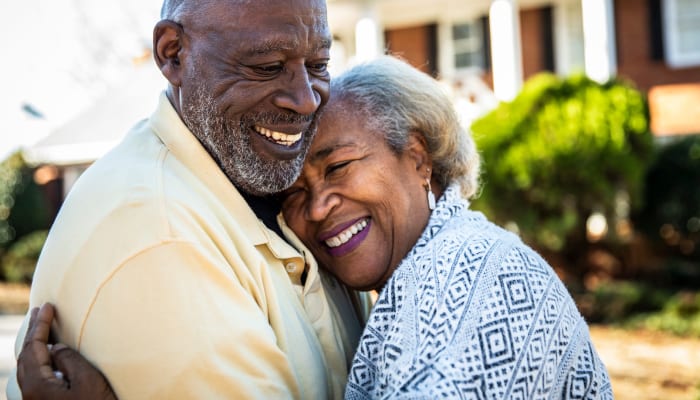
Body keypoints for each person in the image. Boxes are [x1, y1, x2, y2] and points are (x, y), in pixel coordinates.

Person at [17, 55, 613, 399]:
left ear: (419, 156)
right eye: (296, 193)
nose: (320, 206)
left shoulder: (465, 279)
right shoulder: (423, 279)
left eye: (341, 166)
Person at [9, 0, 370, 399]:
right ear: (173, 53)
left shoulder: (271, 190)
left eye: (318, 66)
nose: (306, 100)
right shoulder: (158, 232)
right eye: (266, 67)